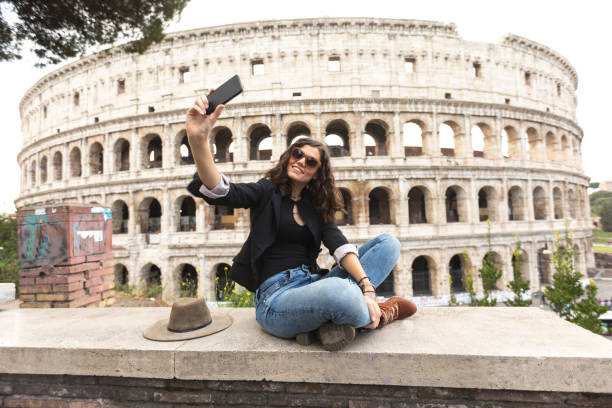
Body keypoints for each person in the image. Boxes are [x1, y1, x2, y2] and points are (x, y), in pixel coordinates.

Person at [185, 92, 417, 351]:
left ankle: (330, 322)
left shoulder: (316, 206)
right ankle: (381, 315)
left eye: (310, 161)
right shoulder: (267, 190)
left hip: (312, 285)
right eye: (297, 154)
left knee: (389, 243)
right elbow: (223, 190)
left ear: (318, 172)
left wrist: (367, 287)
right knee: (340, 292)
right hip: (276, 299)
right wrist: (198, 139)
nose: (300, 161)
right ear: (288, 156)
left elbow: (339, 246)